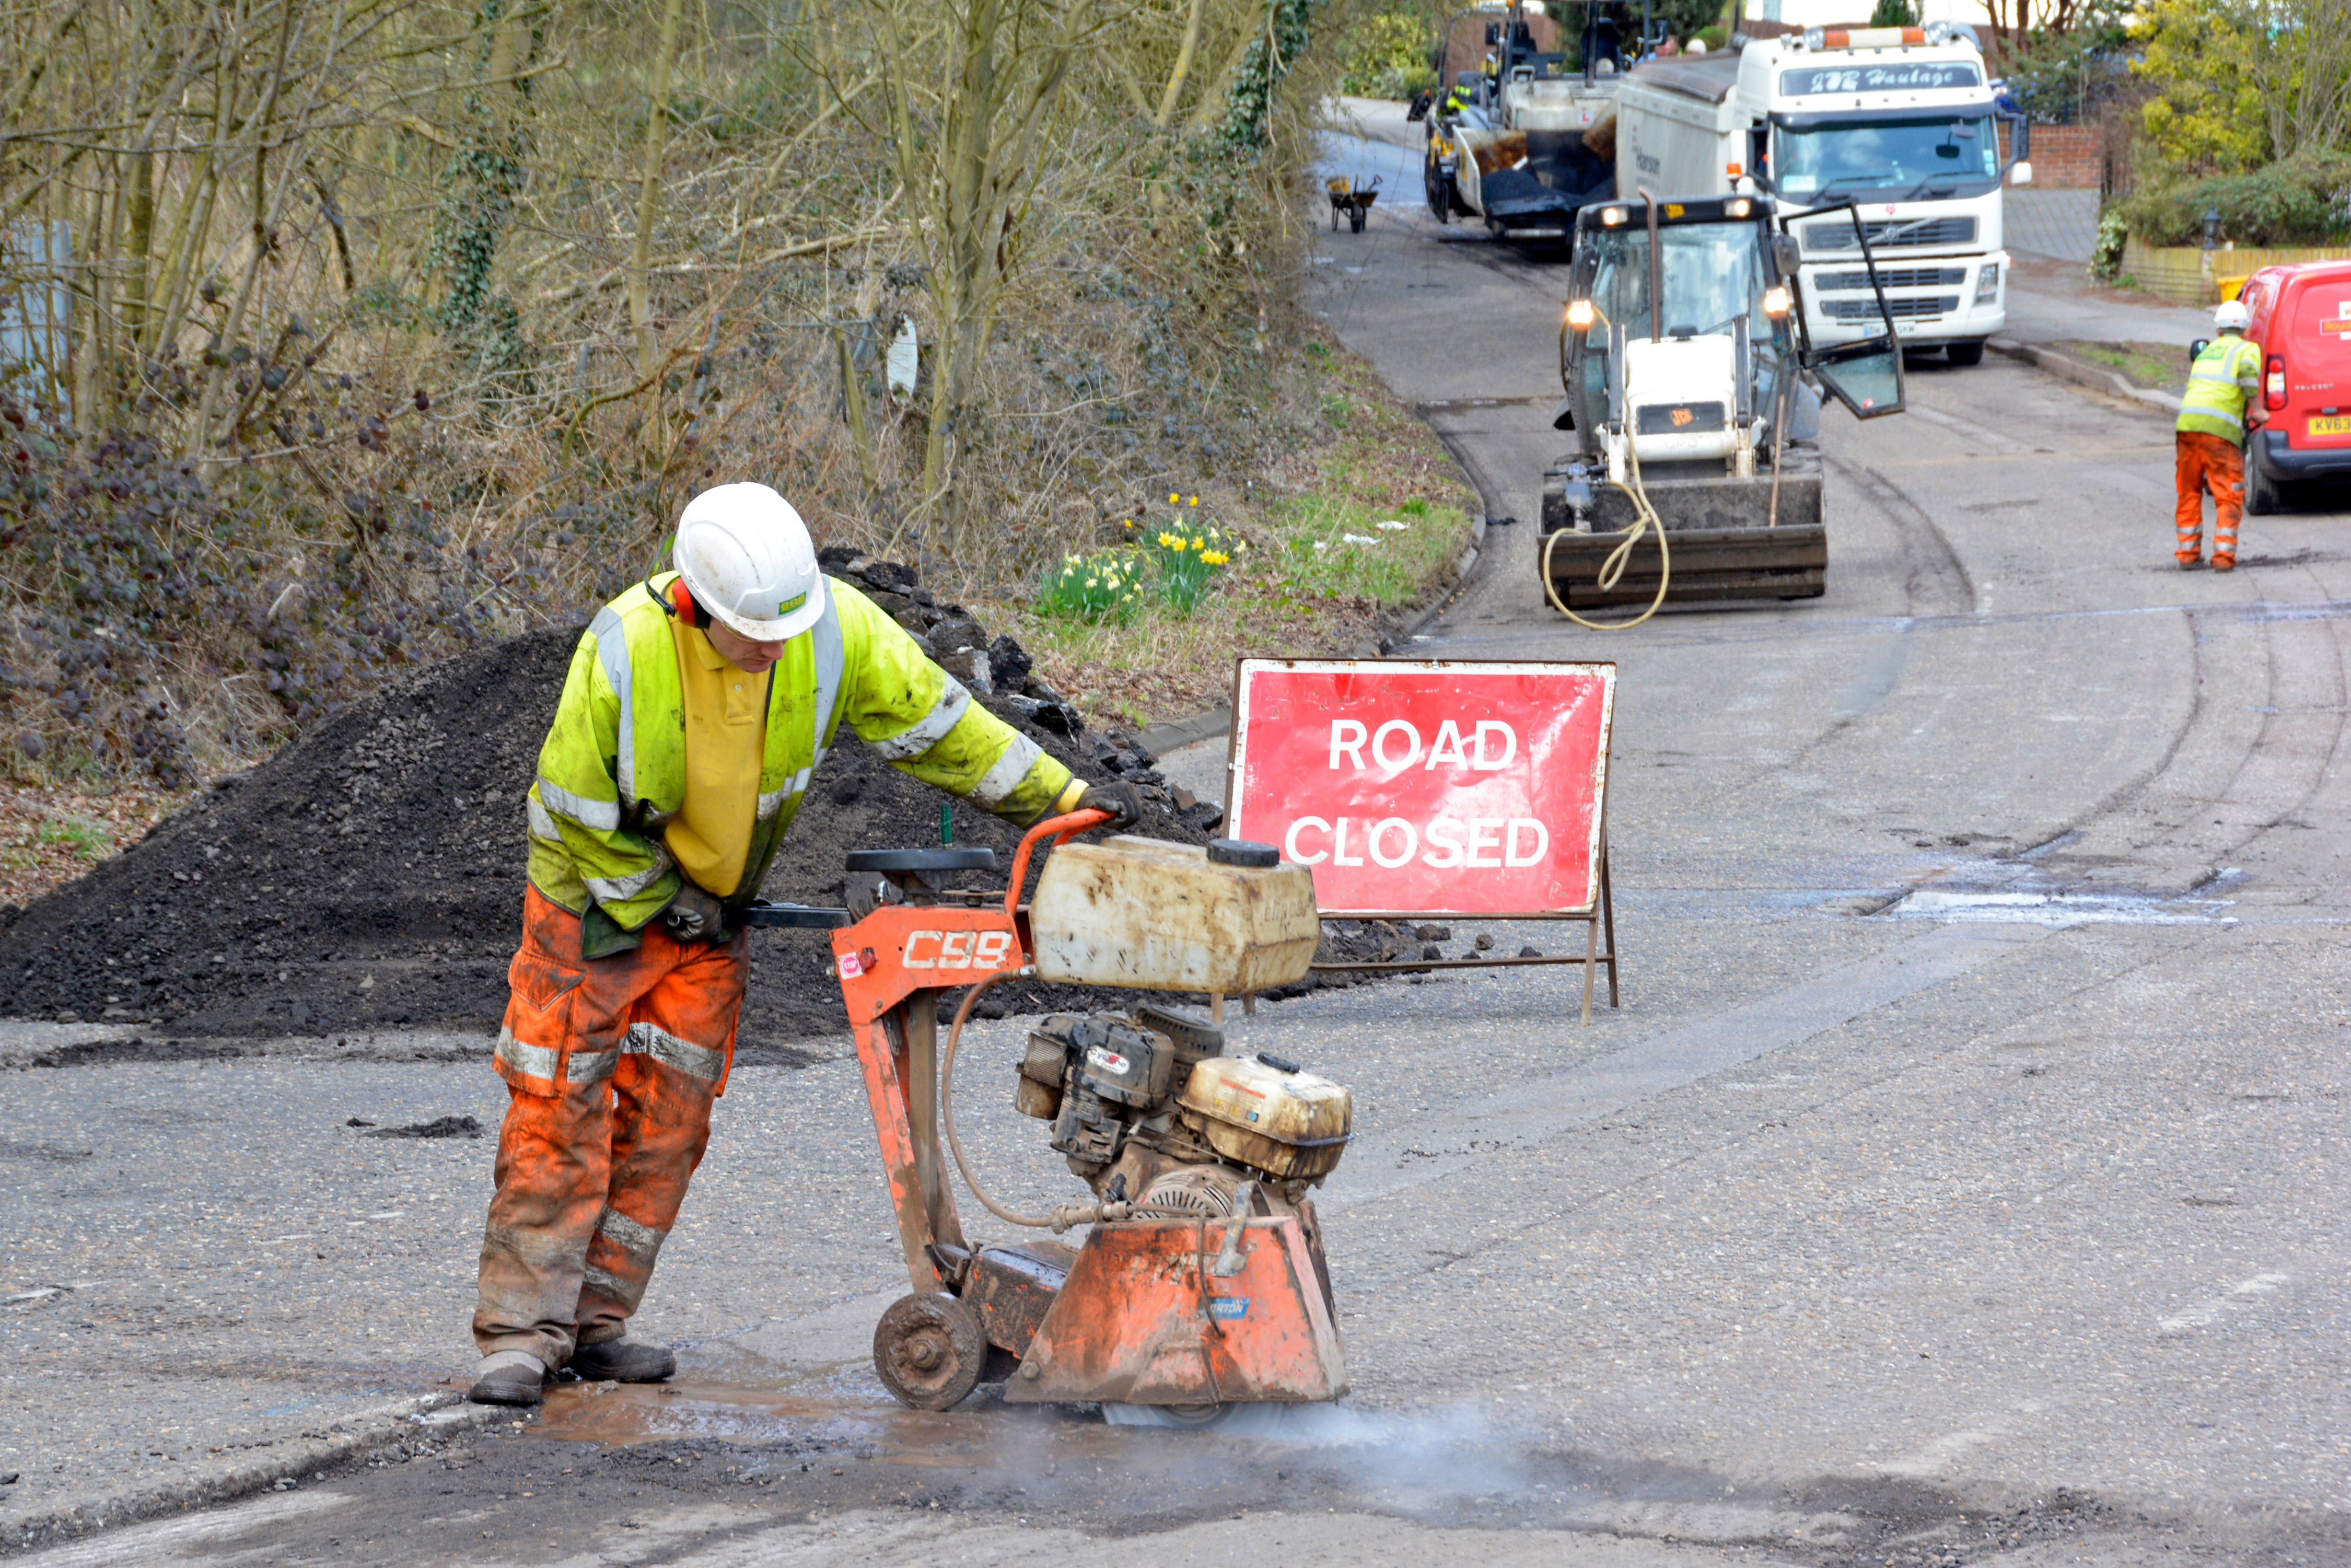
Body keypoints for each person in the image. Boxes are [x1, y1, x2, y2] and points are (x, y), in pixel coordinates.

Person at [467, 482, 1140, 1406]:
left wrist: (1066, 801)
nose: (779, 645)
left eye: (791, 624)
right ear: (696, 608)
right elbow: (573, 810)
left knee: (671, 1119)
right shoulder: (624, 649)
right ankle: (520, 1335)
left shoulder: (831, 629)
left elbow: (946, 731)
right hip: (593, 908)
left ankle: (595, 1324)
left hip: (713, 913)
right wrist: (663, 900)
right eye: (756, 632)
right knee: (560, 1110)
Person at [2175, 299, 2265, 572]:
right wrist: (2258, 410)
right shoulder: (2248, 348)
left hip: (2187, 427)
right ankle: (2223, 558)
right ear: (2245, 329)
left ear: (2217, 330)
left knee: (2189, 489)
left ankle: (2187, 555)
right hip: (2220, 433)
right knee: (2229, 493)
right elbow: (2249, 372)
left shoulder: (2206, 352)